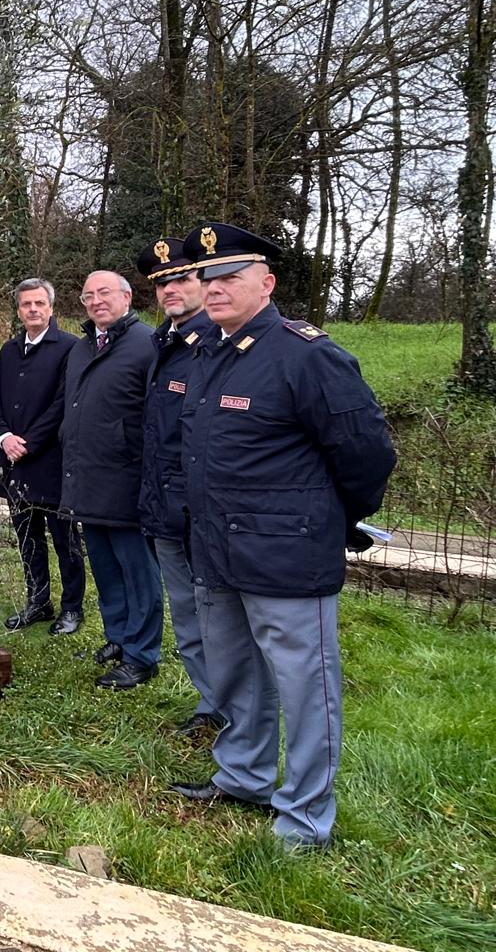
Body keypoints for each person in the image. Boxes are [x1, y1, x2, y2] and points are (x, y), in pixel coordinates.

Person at [169, 223, 395, 852]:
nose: (213, 289)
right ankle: (243, 776)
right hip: (217, 548)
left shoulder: (306, 354)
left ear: (265, 284)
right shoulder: (206, 350)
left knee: (305, 684)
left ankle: (305, 817)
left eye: (229, 277)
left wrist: (334, 517)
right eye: (205, 278)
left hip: (287, 553)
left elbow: (366, 452)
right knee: (236, 672)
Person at [136, 237, 223, 734]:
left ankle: (231, 710)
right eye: (162, 282)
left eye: (182, 278)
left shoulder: (220, 342)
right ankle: (210, 705)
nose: (171, 289)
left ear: (204, 283)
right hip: (165, 505)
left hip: (205, 510)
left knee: (218, 618)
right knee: (188, 615)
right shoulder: (163, 343)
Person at [60, 269, 161, 690]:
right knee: (105, 569)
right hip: (88, 478)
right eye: (88, 296)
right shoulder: (83, 348)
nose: (96, 301)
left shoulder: (148, 344)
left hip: (128, 480)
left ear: (126, 296)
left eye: (104, 293)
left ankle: (142, 655)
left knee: (138, 573)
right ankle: (117, 638)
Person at [0, 277, 84, 636]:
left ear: (51, 308)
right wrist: (4, 437)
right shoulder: (10, 350)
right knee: (27, 538)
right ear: (18, 310)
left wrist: (28, 442)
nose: (33, 309)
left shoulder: (70, 348)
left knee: (65, 540)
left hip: (51, 462)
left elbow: (62, 404)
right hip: (13, 461)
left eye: (39, 304)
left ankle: (72, 607)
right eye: (26, 304)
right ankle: (38, 601)